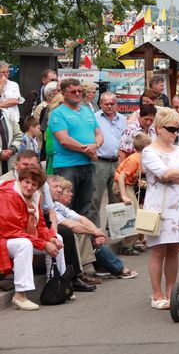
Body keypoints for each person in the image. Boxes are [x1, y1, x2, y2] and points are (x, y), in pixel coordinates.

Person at [142, 107, 179, 310]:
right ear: (159, 129)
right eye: (171, 129)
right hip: (158, 207)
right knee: (158, 251)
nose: (175, 133)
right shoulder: (149, 151)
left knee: (174, 250)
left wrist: (177, 175)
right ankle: (156, 293)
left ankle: (171, 292)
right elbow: (163, 174)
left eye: (177, 129)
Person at [0, 165, 65, 311]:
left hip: (18, 237)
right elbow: (12, 231)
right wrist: (43, 244)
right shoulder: (8, 194)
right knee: (24, 244)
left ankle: (57, 283)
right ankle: (20, 296)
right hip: (4, 239)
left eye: (34, 184)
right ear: (20, 180)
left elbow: (40, 225)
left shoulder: (36, 196)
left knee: (58, 237)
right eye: (26, 182)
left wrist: (51, 238)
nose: (29, 187)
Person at [52, 177, 137, 280]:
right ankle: (113, 269)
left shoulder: (58, 206)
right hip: (56, 242)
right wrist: (93, 232)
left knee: (88, 233)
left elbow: (81, 218)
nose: (71, 194)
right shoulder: (52, 208)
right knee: (83, 234)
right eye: (68, 191)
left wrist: (96, 232)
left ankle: (104, 267)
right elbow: (72, 225)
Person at [49, 78, 103, 221]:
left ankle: (85, 242)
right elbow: (63, 139)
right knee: (66, 206)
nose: (77, 94)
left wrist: (96, 146)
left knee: (86, 207)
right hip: (67, 166)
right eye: (73, 91)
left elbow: (99, 134)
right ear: (63, 93)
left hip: (88, 165)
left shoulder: (87, 111)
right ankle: (68, 242)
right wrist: (88, 150)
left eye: (80, 91)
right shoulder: (58, 113)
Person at [90, 92, 127, 228]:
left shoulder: (123, 119)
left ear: (116, 104)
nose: (110, 106)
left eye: (113, 103)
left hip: (118, 162)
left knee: (116, 197)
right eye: (107, 104)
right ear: (100, 104)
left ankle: (114, 231)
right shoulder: (94, 118)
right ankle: (95, 231)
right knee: (95, 198)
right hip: (100, 162)